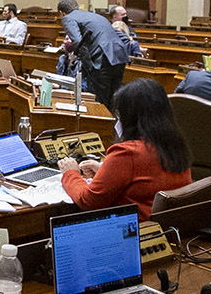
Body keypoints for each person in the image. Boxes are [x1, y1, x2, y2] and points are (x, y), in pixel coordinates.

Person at [56, 79, 192, 220]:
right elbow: (146, 181)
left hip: (131, 233)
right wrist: (105, 171)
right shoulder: (176, 146)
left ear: (130, 117)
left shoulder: (126, 153)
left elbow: (88, 201)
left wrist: (71, 173)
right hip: (167, 231)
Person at [57, 0, 128, 106]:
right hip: (119, 57)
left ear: (62, 13)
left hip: (102, 59)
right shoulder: (95, 16)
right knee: (113, 101)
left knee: (99, 103)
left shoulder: (68, 18)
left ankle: (102, 122)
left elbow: (77, 42)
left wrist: (89, 68)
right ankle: (112, 122)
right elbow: (123, 37)